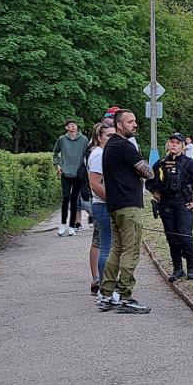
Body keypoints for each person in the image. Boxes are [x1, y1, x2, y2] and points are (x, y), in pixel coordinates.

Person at [96, 110, 154, 314]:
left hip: (114, 205)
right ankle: (125, 297)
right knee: (130, 250)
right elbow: (148, 171)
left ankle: (106, 294)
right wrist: (141, 171)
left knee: (116, 250)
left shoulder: (109, 146)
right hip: (129, 205)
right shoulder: (125, 146)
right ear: (119, 125)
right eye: (130, 121)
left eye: (135, 121)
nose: (135, 125)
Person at [149, 132, 193, 281]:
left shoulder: (190, 163)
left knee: (185, 237)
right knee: (172, 238)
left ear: (183, 146)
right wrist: (154, 192)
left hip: (183, 205)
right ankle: (178, 269)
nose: (174, 145)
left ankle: (191, 268)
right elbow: (149, 181)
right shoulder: (161, 163)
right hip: (165, 205)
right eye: (172, 142)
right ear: (168, 144)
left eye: (177, 143)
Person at [84, 121, 116, 294]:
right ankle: (103, 284)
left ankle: (103, 282)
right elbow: (95, 184)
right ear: (99, 137)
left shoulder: (103, 152)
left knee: (103, 243)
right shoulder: (98, 154)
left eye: (114, 135)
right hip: (103, 205)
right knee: (105, 246)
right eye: (108, 136)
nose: (111, 139)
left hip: (103, 204)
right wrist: (112, 202)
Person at [53, 120, 90, 236]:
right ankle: (63, 224)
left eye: (74, 125)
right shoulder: (62, 139)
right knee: (66, 197)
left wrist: (87, 170)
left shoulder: (84, 140)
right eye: (70, 125)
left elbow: (88, 154)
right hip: (65, 173)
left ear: (77, 127)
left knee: (74, 200)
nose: (73, 126)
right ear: (66, 128)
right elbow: (55, 153)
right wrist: (58, 166)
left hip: (78, 173)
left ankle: (71, 226)